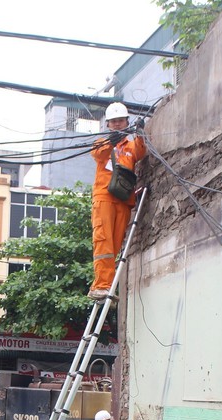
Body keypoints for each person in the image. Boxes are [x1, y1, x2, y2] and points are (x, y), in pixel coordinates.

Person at [88, 101, 147, 301]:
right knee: (103, 240)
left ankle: (108, 284)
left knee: (114, 244)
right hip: (104, 196)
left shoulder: (130, 147)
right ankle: (101, 285)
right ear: (108, 124)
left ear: (126, 122)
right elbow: (98, 154)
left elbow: (140, 152)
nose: (117, 125)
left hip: (123, 199)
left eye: (121, 121)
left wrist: (139, 133)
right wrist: (112, 141)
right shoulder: (102, 144)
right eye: (113, 122)